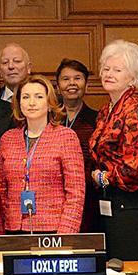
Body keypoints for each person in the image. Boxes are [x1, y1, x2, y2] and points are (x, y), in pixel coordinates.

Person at [88, 40, 138, 260]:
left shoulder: (136, 111)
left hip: (135, 206)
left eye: (117, 70)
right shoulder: (106, 110)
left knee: (130, 272)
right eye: (106, 69)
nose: (108, 74)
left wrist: (102, 177)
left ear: (132, 77)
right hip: (113, 203)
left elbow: (135, 169)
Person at [0, 76, 85, 234]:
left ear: (50, 103)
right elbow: (1, 190)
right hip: (13, 229)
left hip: (53, 229)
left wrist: (65, 235)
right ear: (19, 103)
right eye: (26, 97)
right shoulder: (7, 139)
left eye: (38, 97)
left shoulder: (66, 137)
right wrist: (1, 233)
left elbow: (76, 193)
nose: (31, 103)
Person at [56, 58, 100, 232]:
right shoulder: (48, 119)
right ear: (58, 86)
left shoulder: (97, 120)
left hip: (88, 198)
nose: (71, 83)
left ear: (86, 85)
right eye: (66, 79)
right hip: (53, 196)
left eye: (78, 78)